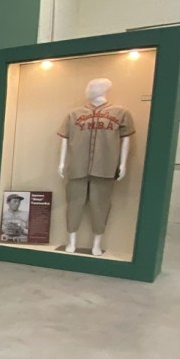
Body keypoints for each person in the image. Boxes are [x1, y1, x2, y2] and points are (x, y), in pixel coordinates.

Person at [56, 78, 134, 256]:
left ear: (102, 89)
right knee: (73, 205)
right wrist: (61, 162)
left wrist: (123, 163)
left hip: (105, 168)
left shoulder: (121, 112)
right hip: (77, 167)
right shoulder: (74, 114)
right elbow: (65, 139)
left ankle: (96, 245)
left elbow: (125, 140)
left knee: (101, 206)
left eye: (90, 86)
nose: (87, 89)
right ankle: (72, 242)